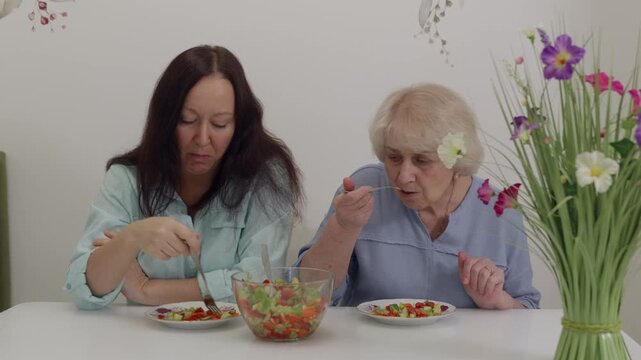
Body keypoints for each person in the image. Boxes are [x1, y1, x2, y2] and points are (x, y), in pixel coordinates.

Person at [64, 45, 303, 310]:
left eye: (220, 124)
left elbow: (260, 283)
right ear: (165, 120)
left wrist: (147, 290)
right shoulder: (127, 178)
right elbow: (85, 289)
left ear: (239, 125)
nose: (202, 139)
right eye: (187, 120)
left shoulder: (267, 178)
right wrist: (131, 237)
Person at [298, 83, 540, 309]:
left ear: (456, 160)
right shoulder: (364, 189)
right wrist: (342, 227)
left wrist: (496, 300)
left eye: (422, 160)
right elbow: (307, 294)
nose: (403, 176)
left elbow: (528, 311)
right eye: (393, 157)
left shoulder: (499, 209)